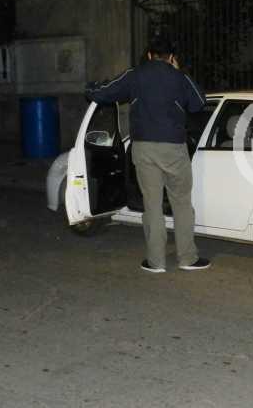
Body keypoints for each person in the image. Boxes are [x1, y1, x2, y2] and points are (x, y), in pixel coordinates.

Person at [85, 36, 210, 273]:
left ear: (150, 55)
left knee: (152, 205)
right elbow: (198, 102)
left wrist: (90, 86)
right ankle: (187, 258)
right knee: (182, 203)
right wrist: (179, 72)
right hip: (174, 148)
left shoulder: (135, 75)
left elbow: (103, 93)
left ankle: (156, 262)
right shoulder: (179, 77)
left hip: (144, 149)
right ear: (171, 57)